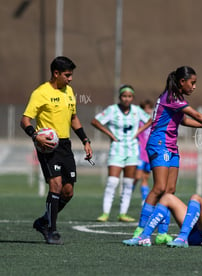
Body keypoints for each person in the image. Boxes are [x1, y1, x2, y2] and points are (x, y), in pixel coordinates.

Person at [126, 66, 202, 245]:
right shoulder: (171, 97)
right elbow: (195, 114)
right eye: (192, 83)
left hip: (171, 146)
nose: (194, 87)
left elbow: (184, 120)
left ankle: (162, 232)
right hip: (159, 144)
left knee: (170, 191)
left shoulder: (176, 98)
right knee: (159, 188)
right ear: (181, 82)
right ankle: (140, 230)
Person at [20, 56, 93, 245]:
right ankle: (51, 230)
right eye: (67, 75)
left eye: (71, 75)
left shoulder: (69, 91)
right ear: (56, 73)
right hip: (47, 147)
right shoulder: (40, 93)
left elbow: (74, 118)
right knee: (56, 186)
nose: (70, 79)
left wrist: (85, 139)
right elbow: (25, 120)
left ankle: (43, 221)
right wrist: (35, 136)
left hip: (65, 145)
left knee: (68, 192)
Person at [92, 85, 152, 222]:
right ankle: (105, 213)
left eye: (129, 96)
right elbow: (95, 121)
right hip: (117, 149)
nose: (127, 99)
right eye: (124, 96)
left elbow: (150, 120)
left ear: (133, 98)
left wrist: (138, 132)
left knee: (128, 183)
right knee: (112, 181)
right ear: (120, 97)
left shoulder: (137, 111)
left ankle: (122, 213)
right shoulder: (112, 110)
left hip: (132, 150)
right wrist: (109, 134)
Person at [134, 99, 154, 206]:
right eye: (146, 109)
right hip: (139, 153)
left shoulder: (153, 123)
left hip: (149, 154)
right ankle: (128, 194)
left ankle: (144, 200)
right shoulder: (139, 122)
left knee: (145, 178)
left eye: (150, 108)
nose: (148, 111)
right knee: (137, 177)